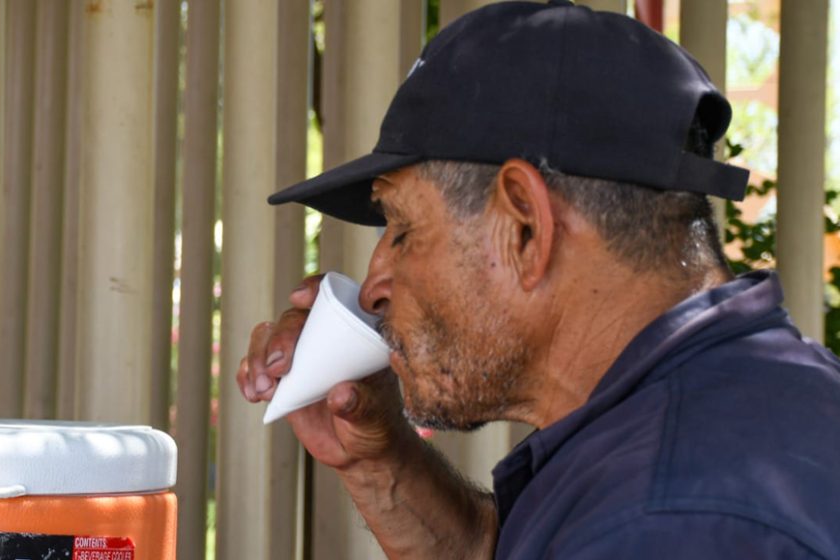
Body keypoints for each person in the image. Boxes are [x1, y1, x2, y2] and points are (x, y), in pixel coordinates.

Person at [237, 1, 840, 558]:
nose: (374, 286)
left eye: (401, 227)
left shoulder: (667, 518)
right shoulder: (722, 411)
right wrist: (378, 458)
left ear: (525, 227)